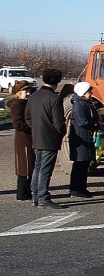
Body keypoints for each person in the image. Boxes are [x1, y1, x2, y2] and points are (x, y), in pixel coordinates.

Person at [25, 68, 67, 209]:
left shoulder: (33, 96)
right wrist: (61, 132)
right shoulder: (55, 99)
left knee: (38, 166)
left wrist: (35, 128)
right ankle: (43, 196)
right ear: (57, 82)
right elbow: (59, 122)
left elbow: (28, 118)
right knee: (45, 169)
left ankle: (35, 195)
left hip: (37, 135)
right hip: (50, 137)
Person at [68, 81, 101, 197]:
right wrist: (96, 124)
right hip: (80, 138)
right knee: (79, 164)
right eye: (89, 92)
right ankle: (75, 189)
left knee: (84, 163)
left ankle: (82, 188)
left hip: (86, 137)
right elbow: (83, 122)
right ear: (83, 93)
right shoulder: (79, 105)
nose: (91, 93)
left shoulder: (85, 103)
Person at [9, 80, 35, 201]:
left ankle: (27, 191)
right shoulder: (17, 105)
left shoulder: (25, 103)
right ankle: (22, 193)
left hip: (29, 139)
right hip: (23, 139)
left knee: (30, 165)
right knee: (25, 166)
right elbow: (18, 124)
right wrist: (32, 126)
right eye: (25, 91)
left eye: (29, 91)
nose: (28, 94)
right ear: (18, 93)